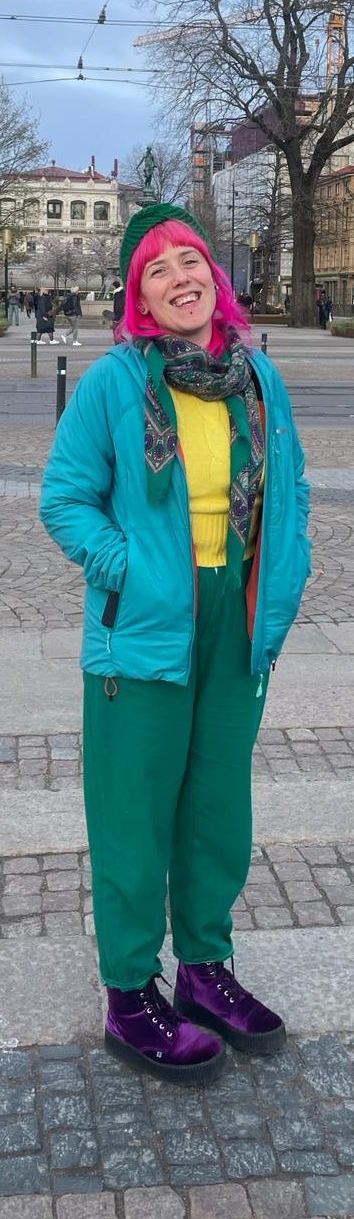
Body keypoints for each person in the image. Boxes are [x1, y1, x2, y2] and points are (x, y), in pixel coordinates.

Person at [40, 202, 311, 1087]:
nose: (179, 277)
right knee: (134, 814)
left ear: (214, 276)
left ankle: (202, 971)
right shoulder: (115, 383)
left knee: (216, 811)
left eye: (189, 258)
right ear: (139, 298)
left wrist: (283, 579)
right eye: (156, 268)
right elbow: (65, 499)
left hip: (235, 619)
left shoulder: (257, 378)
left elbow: (294, 491)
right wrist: (134, 572)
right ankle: (129, 991)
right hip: (145, 625)